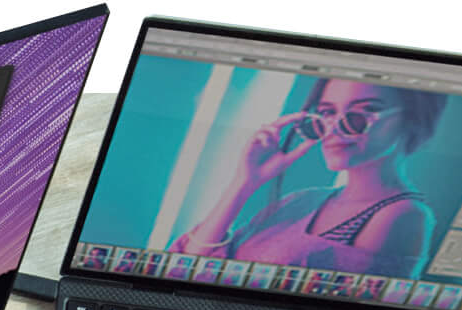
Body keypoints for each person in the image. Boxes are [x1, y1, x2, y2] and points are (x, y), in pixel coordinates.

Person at [170, 81, 446, 278]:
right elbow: (187, 268)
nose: (335, 128)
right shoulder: (303, 199)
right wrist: (244, 182)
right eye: (326, 113)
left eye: (362, 112)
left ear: (413, 119)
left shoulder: (401, 215)